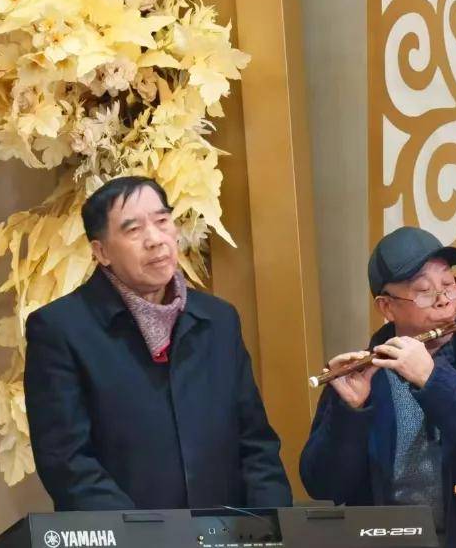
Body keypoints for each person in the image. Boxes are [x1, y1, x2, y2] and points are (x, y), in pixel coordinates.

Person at [25, 176, 291, 511]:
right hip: (125, 535)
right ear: (101, 252)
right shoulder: (61, 329)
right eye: (133, 230)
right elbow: (67, 463)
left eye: (162, 221)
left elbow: (256, 444)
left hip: (228, 531)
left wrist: (272, 525)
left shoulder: (218, 320)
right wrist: (143, 534)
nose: (155, 239)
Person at [299, 226, 456, 547]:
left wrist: (434, 379)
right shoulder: (364, 373)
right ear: (386, 307)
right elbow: (324, 486)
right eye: (424, 291)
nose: (445, 301)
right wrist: (350, 413)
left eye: (449, 284)